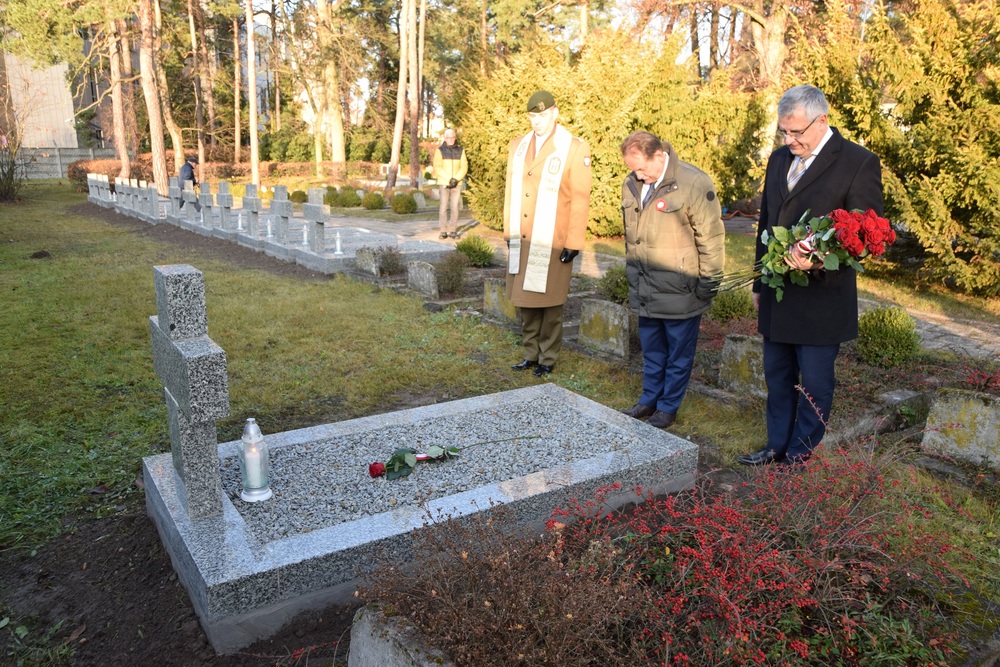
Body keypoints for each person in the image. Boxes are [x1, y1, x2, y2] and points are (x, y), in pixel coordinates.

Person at [739, 84, 884, 467]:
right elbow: (767, 225)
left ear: (822, 121)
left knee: (815, 385)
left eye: (796, 132)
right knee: (777, 377)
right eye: (783, 131)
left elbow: (866, 235)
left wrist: (818, 259)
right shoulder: (777, 161)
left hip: (822, 299)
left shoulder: (857, 162)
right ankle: (775, 446)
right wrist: (758, 280)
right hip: (777, 292)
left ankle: (800, 452)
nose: (788, 140)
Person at [618, 132, 725, 429]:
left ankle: (668, 408)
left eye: (642, 168)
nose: (637, 175)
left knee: (678, 355)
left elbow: (711, 239)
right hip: (646, 288)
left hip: (682, 290)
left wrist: (708, 284)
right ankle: (648, 400)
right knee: (652, 352)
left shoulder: (693, 182)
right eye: (633, 169)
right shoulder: (632, 184)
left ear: (658, 156)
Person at [504, 90, 592, 378]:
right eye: (532, 115)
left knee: (550, 301)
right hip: (524, 235)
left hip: (553, 239)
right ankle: (530, 354)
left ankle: (548, 357)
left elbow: (580, 198)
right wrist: (509, 230)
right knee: (526, 300)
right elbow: (510, 192)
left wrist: (574, 241)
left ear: (555, 112)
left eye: (542, 115)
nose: (537, 121)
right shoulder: (517, 145)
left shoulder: (574, 148)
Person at [433, 129, 468, 239]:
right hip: (444, 183)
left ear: (455, 138)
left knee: (454, 207)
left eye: (452, 137)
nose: (451, 139)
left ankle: (453, 230)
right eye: (448, 137)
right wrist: (449, 179)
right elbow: (437, 167)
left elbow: (464, 166)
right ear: (445, 138)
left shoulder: (461, 150)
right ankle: (443, 230)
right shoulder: (440, 151)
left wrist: (456, 179)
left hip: (456, 183)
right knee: (443, 207)